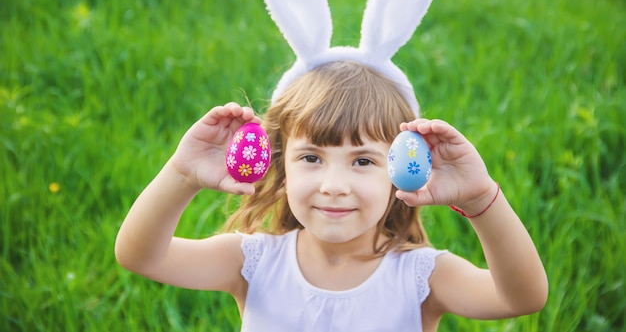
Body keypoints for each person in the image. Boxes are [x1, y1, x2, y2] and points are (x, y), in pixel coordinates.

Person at [115, 60, 548, 331]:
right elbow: (141, 255)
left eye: (362, 161)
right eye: (311, 158)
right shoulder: (254, 263)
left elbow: (522, 297)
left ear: (400, 173)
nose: (334, 184)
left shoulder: (419, 277)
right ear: (281, 167)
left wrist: (480, 200)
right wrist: (182, 174)